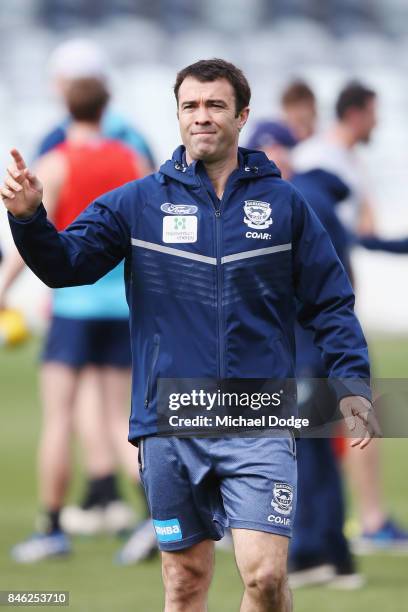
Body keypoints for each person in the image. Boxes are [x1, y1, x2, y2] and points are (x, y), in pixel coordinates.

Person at [2, 59, 380, 612]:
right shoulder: (138, 203)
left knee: (267, 577)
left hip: (260, 414)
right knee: (184, 583)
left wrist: (351, 382)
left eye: (215, 105)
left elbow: (331, 301)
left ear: (242, 115)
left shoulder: (285, 205)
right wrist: (31, 219)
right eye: (190, 106)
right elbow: (67, 265)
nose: (201, 117)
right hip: (170, 418)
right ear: (178, 116)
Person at [0, 77, 148, 563]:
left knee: (59, 421)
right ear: (108, 106)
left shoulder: (57, 160)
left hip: (72, 308)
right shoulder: (132, 161)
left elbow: (36, 233)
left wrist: (3, 287)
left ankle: (51, 528)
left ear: (65, 105)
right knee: (120, 420)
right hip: (123, 309)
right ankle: (155, 518)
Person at [293, 81, 408, 551]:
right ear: (357, 113)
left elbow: (361, 237)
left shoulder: (346, 163)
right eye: (375, 113)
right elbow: (327, 238)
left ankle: (356, 520)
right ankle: (360, 523)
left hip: (337, 308)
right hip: (321, 313)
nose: (379, 122)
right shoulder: (320, 162)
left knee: (350, 412)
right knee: (348, 411)